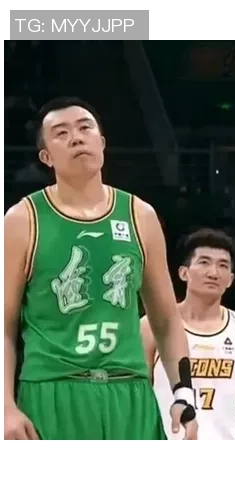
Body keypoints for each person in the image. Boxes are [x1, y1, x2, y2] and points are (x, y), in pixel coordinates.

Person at [4, 97, 197, 440]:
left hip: (130, 392)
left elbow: (166, 320)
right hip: (53, 390)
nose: (76, 137)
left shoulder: (140, 215)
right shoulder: (22, 219)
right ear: (46, 157)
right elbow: (4, 325)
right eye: (61, 133)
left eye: (85, 128)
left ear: (102, 143)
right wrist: (5, 406)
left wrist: (183, 393)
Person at [143, 228, 235, 440]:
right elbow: (139, 397)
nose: (214, 273)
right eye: (204, 262)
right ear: (183, 273)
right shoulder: (151, 326)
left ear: (230, 279)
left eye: (223, 266)